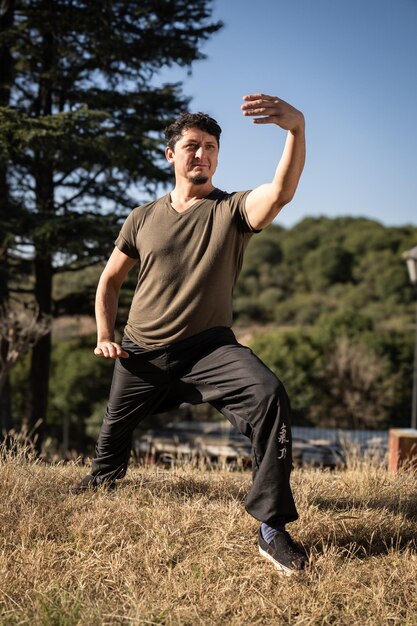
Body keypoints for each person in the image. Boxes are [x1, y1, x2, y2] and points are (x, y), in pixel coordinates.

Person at [72, 93, 307, 575]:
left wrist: (296, 130)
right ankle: (102, 481)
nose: (202, 154)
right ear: (171, 155)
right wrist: (104, 332)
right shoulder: (142, 217)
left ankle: (271, 526)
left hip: (209, 348)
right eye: (193, 146)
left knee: (269, 396)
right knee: (109, 450)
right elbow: (110, 280)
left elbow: (280, 193)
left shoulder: (232, 210)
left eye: (211, 147)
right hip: (141, 351)